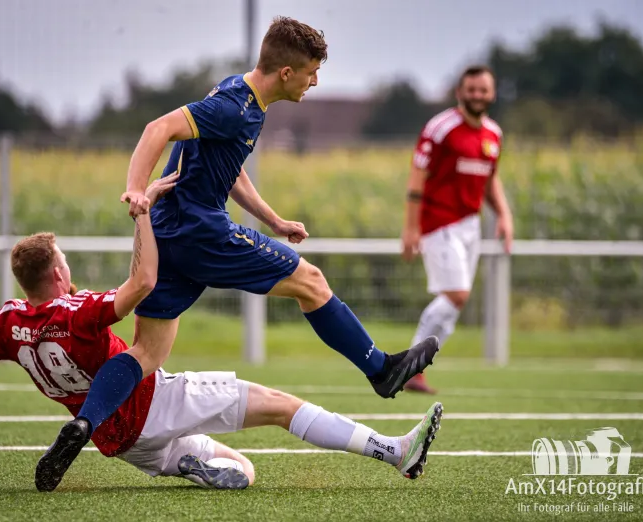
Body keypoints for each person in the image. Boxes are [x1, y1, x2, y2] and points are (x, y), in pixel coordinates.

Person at [34, 15, 442, 488]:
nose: (315, 81)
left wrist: (272, 220)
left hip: (168, 238)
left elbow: (231, 166)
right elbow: (157, 128)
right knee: (311, 283)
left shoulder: (239, 98)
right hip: (201, 232)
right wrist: (136, 189)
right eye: (311, 71)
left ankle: (84, 424)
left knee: (146, 353)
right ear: (286, 72)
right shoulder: (234, 104)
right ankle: (382, 370)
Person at [0, 175, 444, 492]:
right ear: (56, 274)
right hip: (150, 401)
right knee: (279, 405)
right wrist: (143, 215)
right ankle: (394, 452)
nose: (69, 271)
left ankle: (192, 465)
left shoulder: (7, 324)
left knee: (242, 469)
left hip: (122, 444)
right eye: (65, 264)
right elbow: (141, 284)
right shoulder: (77, 309)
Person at [400, 65, 514, 394]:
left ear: (492, 94)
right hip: (437, 221)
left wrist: (504, 215)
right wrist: (410, 228)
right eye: (472, 89)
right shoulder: (440, 128)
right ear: (459, 92)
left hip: (469, 225)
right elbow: (416, 178)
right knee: (457, 294)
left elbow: (490, 180)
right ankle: (409, 366)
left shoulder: (494, 134)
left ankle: (415, 370)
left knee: (454, 301)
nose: (478, 95)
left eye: (484, 90)